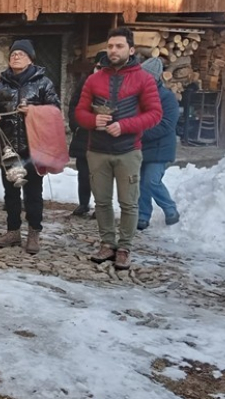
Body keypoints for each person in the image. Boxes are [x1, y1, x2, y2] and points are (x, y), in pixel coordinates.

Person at [75, 27, 162, 270]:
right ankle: (107, 243)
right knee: (102, 202)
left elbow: (155, 114)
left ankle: (124, 247)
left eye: (119, 46)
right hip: (98, 150)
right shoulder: (94, 79)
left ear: (131, 50)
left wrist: (124, 126)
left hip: (128, 151)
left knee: (129, 203)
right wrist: (93, 121)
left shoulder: (143, 79)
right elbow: (80, 112)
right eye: (110, 46)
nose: (113, 50)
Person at [0, 39, 61, 255]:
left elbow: (54, 109)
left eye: (20, 53)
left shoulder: (43, 83)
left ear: (30, 58)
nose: (15, 56)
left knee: (33, 192)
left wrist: (33, 111)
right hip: (8, 146)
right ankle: (13, 231)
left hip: (33, 147)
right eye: (13, 54)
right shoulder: (1, 84)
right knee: (10, 191)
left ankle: (34, 231)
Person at [137, 57, 180, 230]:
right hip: (141, 146)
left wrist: (139, 133)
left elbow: (167, 124)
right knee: (140, 181)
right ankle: (142, 215)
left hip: (161, 147)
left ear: (155, 78)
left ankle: (170, 209)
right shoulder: (136, 96)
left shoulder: (167, 98)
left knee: (151, 181)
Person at [68, 51, 107, 217]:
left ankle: (101, 207)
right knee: (83, 173)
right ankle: (83, 203)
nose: (100, 70)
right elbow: (74, 106)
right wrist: (76, 125)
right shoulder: (85, 82)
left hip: (103, 137)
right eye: (98, 66)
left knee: (100, 175)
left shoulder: (111, 84)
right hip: (84, 135)